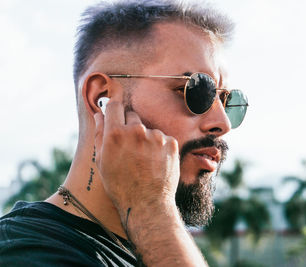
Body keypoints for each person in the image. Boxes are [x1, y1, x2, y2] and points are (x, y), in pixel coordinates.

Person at [0, 0, 248, 266]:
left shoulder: (155, 249)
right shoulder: (25, 251)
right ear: (102, 98)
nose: (222, 123)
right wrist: (151, 210)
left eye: (226, 100)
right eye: (198, 90)